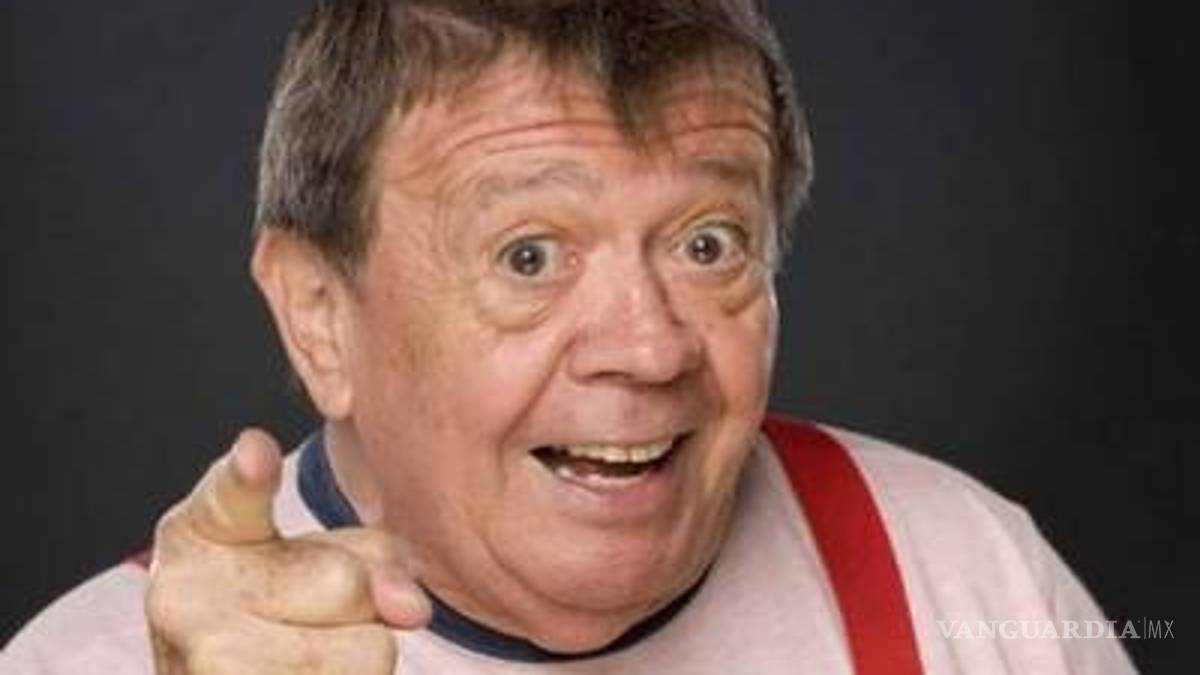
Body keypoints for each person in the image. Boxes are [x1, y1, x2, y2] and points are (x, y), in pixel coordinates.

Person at [3, 1, 1137, 673]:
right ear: (320, 317)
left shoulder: (968, 578)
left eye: (707, 243)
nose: (648, 350)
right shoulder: (97, 665)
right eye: (530, 257)